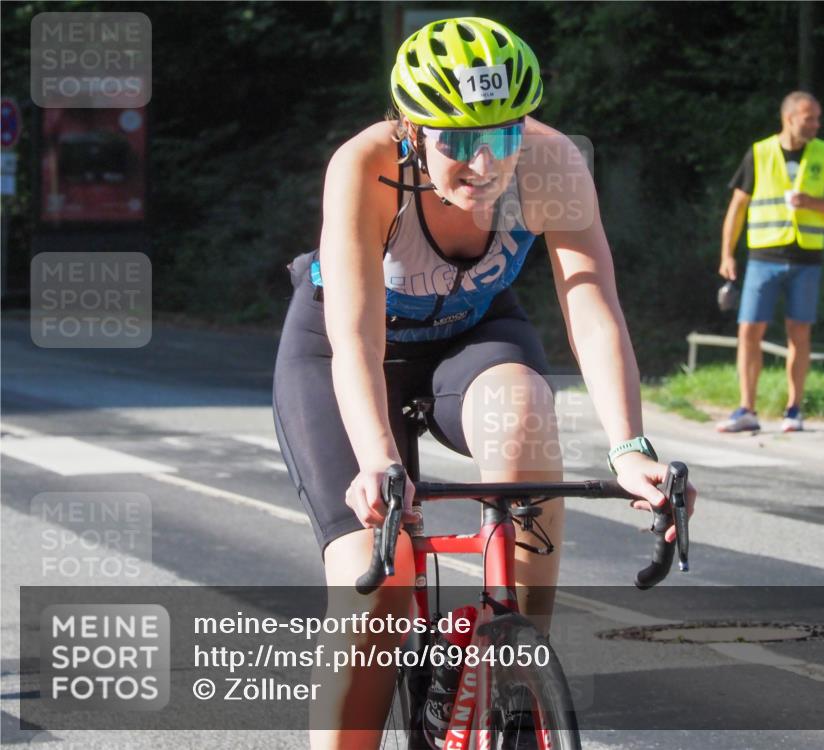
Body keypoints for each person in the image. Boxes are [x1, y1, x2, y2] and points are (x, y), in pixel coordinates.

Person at [271, 16, 696, 750]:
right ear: (411, 129)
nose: (483, 163)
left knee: (527, 413)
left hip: (470, 337)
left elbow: (591, 304)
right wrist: (380, 463)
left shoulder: (551, 161)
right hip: (343, 351)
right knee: (376, 586)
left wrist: (631, 448)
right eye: (457, 141)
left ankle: (515, 678)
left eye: (502, 136)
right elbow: (355, 338)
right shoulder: (364, 165)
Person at [717, 91, 824, 433]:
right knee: (749, 331)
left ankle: (794, 410)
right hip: (763, 257)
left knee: (799, 332)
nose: (816, 124)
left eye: (817, 118)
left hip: (807, 259)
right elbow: (738, 207)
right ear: (789, 118)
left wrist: (810, 203)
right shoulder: (760, 152)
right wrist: (727, 254)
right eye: (810, 118)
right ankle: (746, 408)